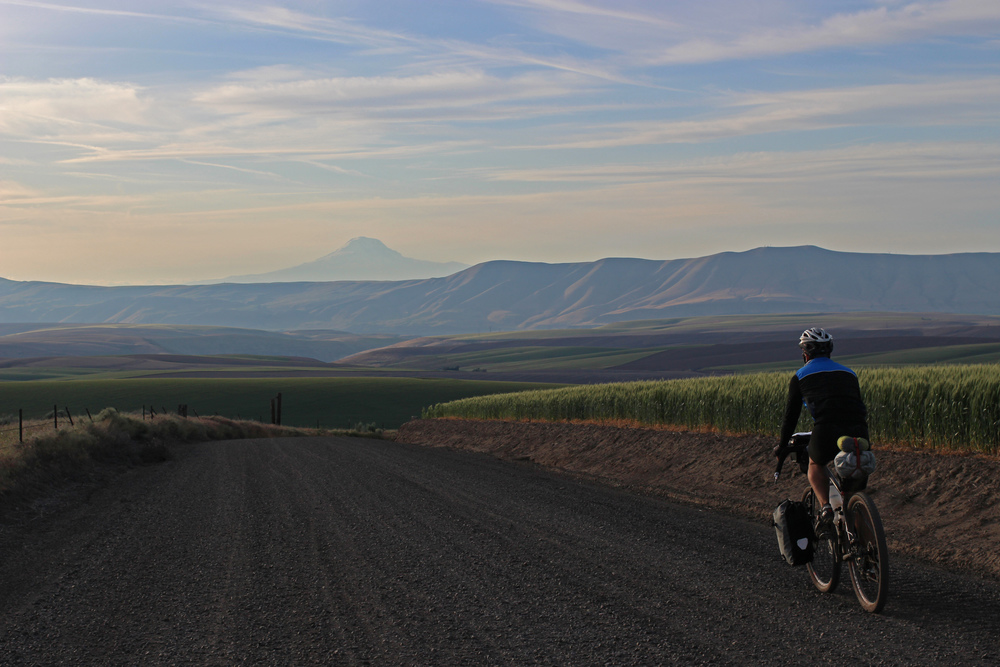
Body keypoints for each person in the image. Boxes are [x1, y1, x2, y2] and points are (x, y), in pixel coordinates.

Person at [778, 327, 869, 527]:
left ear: (805, 353)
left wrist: (782, 444)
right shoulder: (849, 373)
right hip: (859, 431)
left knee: (815, 464)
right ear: (829, 350)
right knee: (854, 491)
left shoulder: (800, 376)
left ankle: (826, 506)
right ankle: (863, 538)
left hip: (827, 430)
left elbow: (790, 416)